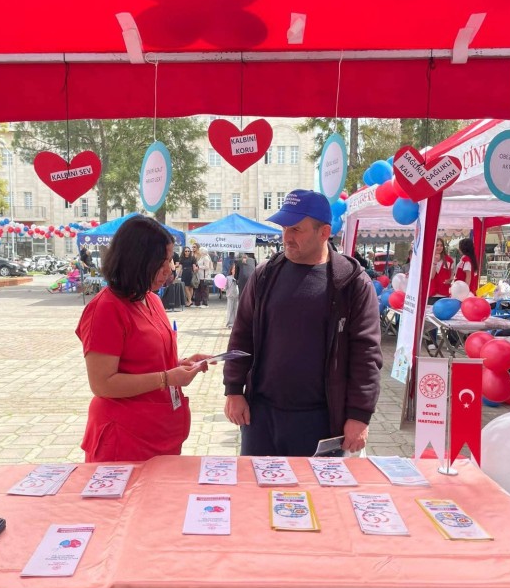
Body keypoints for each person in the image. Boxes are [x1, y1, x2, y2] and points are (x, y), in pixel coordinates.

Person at [223, 190, 383, 457]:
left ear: (324, 232)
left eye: (296, 229)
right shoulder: (265, 276)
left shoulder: (352, 283)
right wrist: (233, 390)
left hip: (322, 421)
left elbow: (365, 354)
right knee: (255, 485)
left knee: (316, 487)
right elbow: (242, 335)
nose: (286, 237)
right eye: (284, 228)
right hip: (261, 418)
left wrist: (359, 415)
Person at [76, 216, 214, 462]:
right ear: (137, 261)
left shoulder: (152, 299)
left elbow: (146, 362)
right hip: (124, 438)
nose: (169, 269)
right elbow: (102, 383)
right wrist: (166, 378)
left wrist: (180, 365)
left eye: (170, 260)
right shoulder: (106, 308)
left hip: (159, 431)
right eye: (161, 263)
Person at [224, 259, 241, 328]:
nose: (235, 270)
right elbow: (225, 287)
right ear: (231, 270)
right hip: (230, 296)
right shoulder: (228, 278)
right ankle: (230, 324)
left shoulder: (239, 277)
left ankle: (237, 323)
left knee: (237, 310)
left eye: (236, 269)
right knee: (230, 310)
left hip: (237, 296)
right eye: (234, 269)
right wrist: (222, 288)